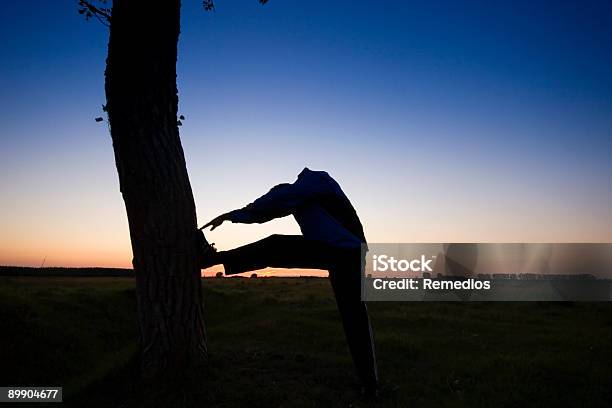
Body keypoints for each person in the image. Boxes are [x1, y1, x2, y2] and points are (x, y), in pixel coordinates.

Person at [198, 167, 378, 395]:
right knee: (354, 315)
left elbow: (275, 201)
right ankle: (369, 385)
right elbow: (268, 210)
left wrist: (234, 214)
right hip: (337, 251)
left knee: (275, 246)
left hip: (345, 251)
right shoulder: (299, 196)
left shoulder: (315, 181)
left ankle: (211, 259)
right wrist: (235, 217)